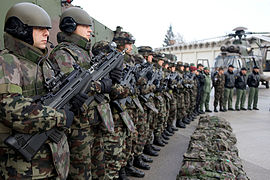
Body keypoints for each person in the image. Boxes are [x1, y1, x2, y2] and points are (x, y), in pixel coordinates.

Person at [0, 2, 73, 179]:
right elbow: (10, 109)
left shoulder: (44, 63)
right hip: (24, 169)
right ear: (20, 29)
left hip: (53, 160)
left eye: (47, 29)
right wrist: (60, 117)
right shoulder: (8, 62)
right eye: (40, 29)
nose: (47, 33)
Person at [49, 7, 114, 179]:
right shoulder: (63, 53)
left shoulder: (85, 52)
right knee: (81, 173)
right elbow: (73, 86)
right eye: (85, 26)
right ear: (71, 27)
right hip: (78, 126)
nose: (90, 31)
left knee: (99, 169)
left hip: (93, 120)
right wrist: (102, 86)